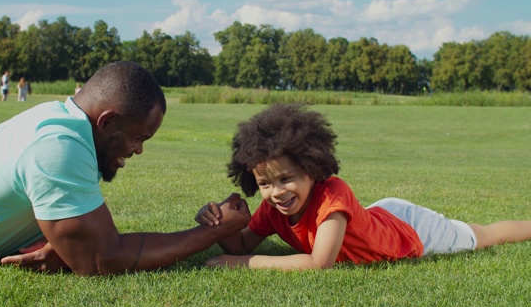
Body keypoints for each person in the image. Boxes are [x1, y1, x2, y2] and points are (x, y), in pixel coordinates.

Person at [0, 61, 250, 276]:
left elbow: (81, 239)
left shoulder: (64, 121)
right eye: (139, 137)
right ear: (108, 120)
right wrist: (213, 234)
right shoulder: (58, 146)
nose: (139, 150)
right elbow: (98, 259)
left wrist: (62, 238)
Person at [195, 103, 531, 270]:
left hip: (409, 231)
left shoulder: (333, 195)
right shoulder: (273, 208)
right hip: (374, 217)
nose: (277, 192)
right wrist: (220, 223)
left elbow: (318, 263)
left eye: (287, 178)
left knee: (483, 235)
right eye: (265, 183)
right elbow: (239, 244)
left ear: (312, 168)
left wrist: (244, 263)